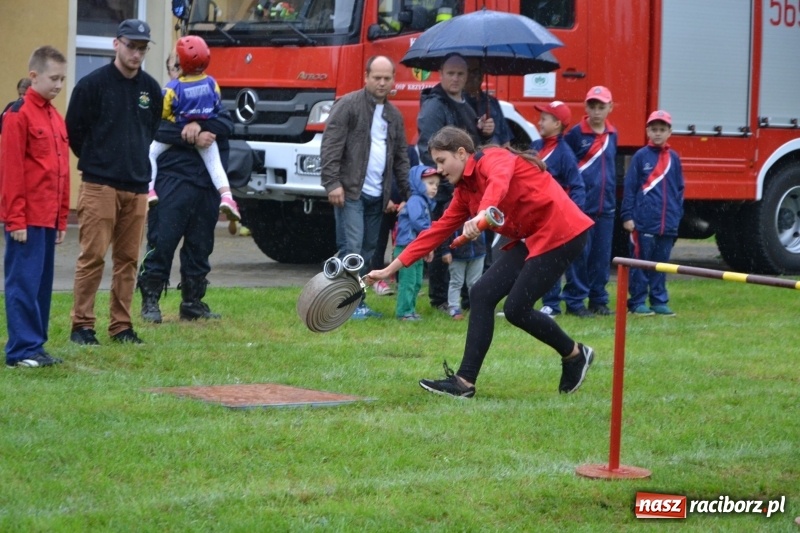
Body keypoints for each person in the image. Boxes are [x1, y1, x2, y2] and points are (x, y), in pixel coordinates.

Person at [365, 126, 596, 398]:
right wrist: (389, 269)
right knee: (481, 293)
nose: (438, 169)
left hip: (563, 231)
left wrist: (483, 212)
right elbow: (435, 233)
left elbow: (500, 180)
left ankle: (574, 354)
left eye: (442, 161)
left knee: (515, 309)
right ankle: (464, 383)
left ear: (462, 153)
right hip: (534, 236)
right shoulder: (464, 192)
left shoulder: (493, 159)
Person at [66, 19, 163, 345]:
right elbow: (74, 131)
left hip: (137, 186)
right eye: (131, 46)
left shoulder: (150, 89)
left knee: (128, 261)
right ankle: (82, 325)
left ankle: (121, 326)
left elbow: (150, 130)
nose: (136, 54)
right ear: (116, 44)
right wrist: (99, 160)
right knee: (92, 256)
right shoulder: (92, 85)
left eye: (142, 48)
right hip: (99, 184)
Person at [320, 55, 411, 320]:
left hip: (378, 197)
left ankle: (350, 301)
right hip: (350, 192)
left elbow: (401, 159)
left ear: (393, 80)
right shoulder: (347, 105)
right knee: (352, 249)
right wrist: (332, 183)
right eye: (377, 78)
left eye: (387, 78)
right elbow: (330, 145)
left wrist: (409, 195)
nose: (382, 83)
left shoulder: (394, 116)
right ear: (366, 77)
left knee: (369, 251)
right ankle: (347, 304)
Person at [1, 46, 69, 367]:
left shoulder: (54, 116)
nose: (59, 85)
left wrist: (62, 218)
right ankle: (21, 351)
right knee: (23, 283)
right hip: (26, 220)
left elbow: (61, 170)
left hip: (47, 217)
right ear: (34, 76)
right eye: (53, 78)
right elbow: (11, 170)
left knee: (41, 285)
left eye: (62, 79)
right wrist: (15, 219)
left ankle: (36, 345)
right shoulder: (18, 114)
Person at [138, 106, 235, 323]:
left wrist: (198, 125)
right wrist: (193, 138)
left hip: (207, 185)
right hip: (172, 181)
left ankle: (192, 302)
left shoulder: (212, 100)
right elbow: (156, 129)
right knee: (161, 243)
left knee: (200, 247)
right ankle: (150, 301)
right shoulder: (166, 100)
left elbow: (226, 125)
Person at [417, 53, 495, 312]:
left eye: (461, 74)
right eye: (450, 73)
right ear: (440, 73)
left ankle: (465, 297)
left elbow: (469, 149)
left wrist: (485, 132)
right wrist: (448, 183)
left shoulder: (467, 104)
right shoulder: (434, 106)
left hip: (466, 187)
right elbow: (429, 151)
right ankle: (440, 299)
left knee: (468, 243)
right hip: (446, 190)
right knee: (445, 242)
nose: (456, 78)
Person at [147, 35, 240, 222]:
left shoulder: (172, 89)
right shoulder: (211, 83)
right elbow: (216, 107)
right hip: (178, 180)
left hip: (193, 188)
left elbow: (159, 116)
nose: (176, 71)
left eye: (177, 66)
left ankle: (149, 190)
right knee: (215, 165)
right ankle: (227, 197)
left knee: (149, 153)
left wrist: (191, 124)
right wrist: (198, 129)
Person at [621, 110, 685, 316]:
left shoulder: (674, 158)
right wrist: (627, 215)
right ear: (647, 131)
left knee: (661, 264)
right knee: (641, 263)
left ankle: (658, 300)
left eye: (662, 129)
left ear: (669, 132)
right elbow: (630, 187)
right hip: (644, 222)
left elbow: (679, 190)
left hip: (668, 224)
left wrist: (676, 215)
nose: (658, 133)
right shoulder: (641, 156)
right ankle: (637, 301)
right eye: (654, 129)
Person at [563, 86, 618, 318]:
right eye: (592, 106)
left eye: (601, 107)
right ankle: (575, 302)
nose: (596, 112)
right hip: (582, 207)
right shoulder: (575, 135)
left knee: (601, 257)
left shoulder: (613, 134)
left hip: (606, 207)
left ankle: (598, 300)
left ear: (610, 107)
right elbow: (568, 168)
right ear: (586, 107)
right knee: (579, 256)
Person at [531, 100, 585, 317]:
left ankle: (552, 304)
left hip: (553, 217)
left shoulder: (565, 154)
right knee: (531, 260)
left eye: (544, 119)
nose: (539, 122)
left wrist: (573, 216)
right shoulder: (535, 146)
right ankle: (526, 301)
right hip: (533, 216)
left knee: (550, 260)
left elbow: (577, 186)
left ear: (557, 124)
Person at [393, 165, 439, 320]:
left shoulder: (424, 202)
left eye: (436, 184)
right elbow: (418, 222)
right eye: (430, 183)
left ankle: (410, 310)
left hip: (416, 248)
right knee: (408, 281)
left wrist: (427, 247)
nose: (434, 187)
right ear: (417, 183)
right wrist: (432, 235)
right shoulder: (415, 201)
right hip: (407, 247)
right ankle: (403, 312)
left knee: (417, 281)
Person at [442, 226, 485, 321]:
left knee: (475, 284)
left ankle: (477, 308)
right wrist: (445, 251)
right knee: (456, 282)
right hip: (457, 254)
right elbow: (445, 230)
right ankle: (454, 309)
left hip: (478, 252)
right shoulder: (451, 215)